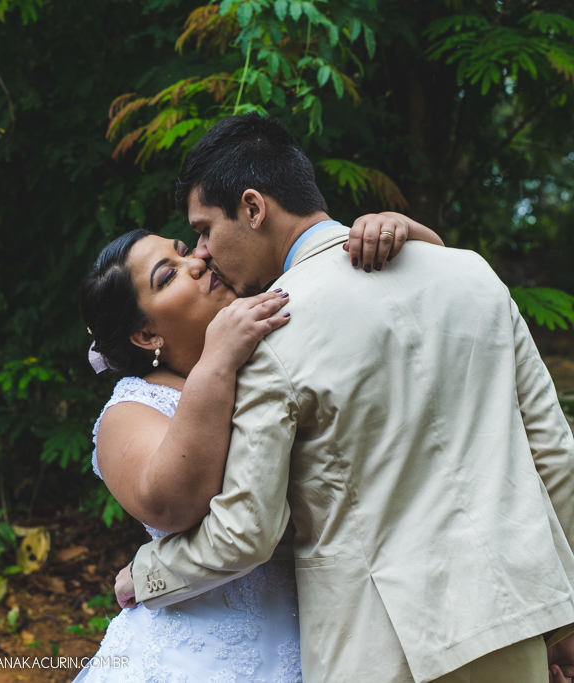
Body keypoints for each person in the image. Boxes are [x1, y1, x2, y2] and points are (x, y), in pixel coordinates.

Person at [110, 114, 574, 683]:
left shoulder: (271, 330)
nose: (204, 253)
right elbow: (554, 457)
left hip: (385, 649)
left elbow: (246, 532)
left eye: (204, 229)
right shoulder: (473, 275)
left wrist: (149, 572)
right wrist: (564, 620)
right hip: (513, 622)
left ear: (253, 209)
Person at [75, 208, 443, 682]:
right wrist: (217, 360)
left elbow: (418, 310)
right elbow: (172, 504)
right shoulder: (131, 409)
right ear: (146, 335)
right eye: (168, 276)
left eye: (185, 251)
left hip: (333, 636)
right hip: (198, 655)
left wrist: (405, 232)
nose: (197, 262)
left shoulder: (273, 339)